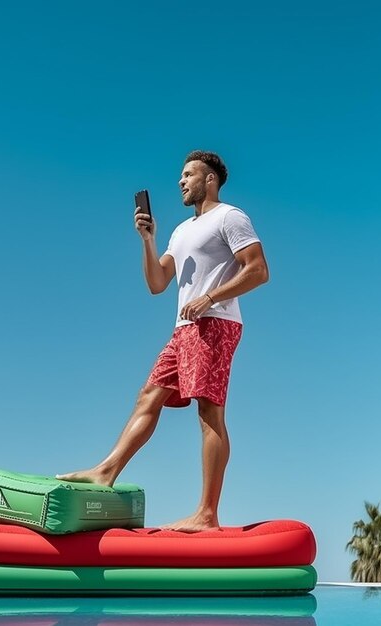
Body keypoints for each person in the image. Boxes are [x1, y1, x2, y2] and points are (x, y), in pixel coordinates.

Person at [57, 150, 269, 531]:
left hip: (215, 323)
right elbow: (157, 283)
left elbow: (258, 270)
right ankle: (106, 471)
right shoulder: (180, 230)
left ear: (210, 180)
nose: (181, 181)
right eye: (181, 176)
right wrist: (148, 240)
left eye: (189, 175)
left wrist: (211, 296)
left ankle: (207, 514)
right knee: (148, 396)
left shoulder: (230, 217)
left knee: (209, 412)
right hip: (183, 329)